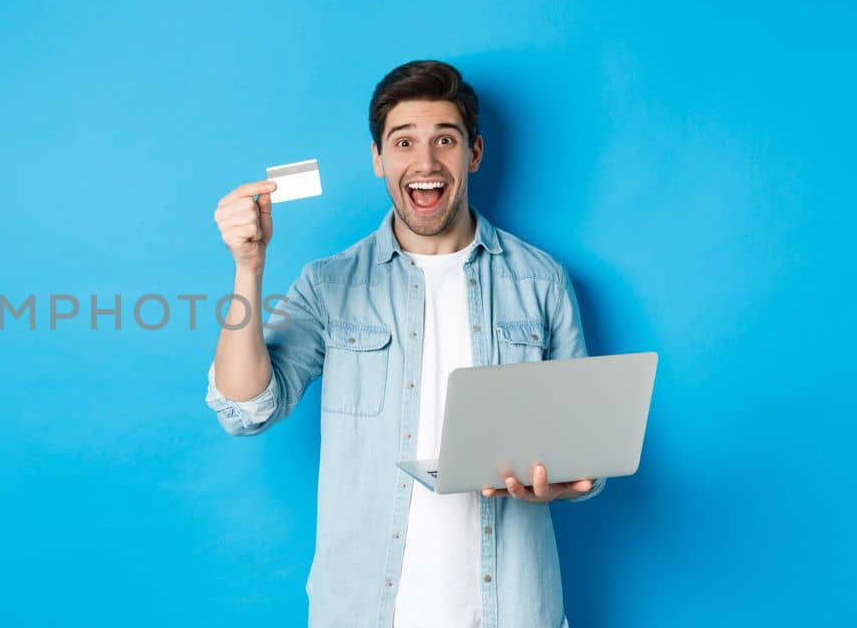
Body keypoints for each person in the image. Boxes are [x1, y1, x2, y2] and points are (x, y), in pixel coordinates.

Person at [205, 60, 602, 628]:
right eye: (403, 142)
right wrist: (248, 267)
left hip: (514, 610)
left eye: (445, 139)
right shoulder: (329, 283)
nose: (425, 162)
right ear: (378, 159)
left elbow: (585, 454)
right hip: (364, 610)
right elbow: (244, 410)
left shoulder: (542, 281)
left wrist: (564, 483)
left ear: (475, 153)